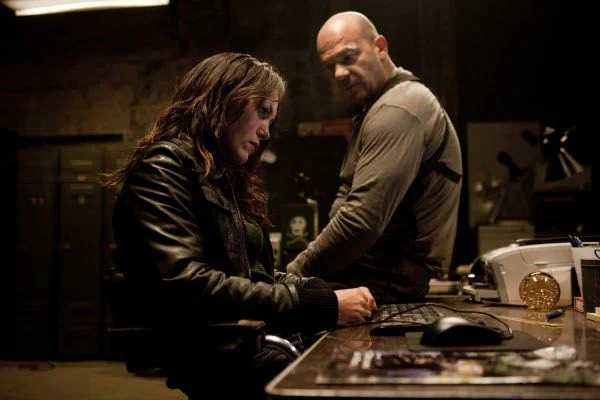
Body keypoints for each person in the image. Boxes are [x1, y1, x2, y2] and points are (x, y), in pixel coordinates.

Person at [103, 52, 376, 399]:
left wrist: (320, 290)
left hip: (245, 340)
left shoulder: (219, 178)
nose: (266, 131)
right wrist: (314, 303)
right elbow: (186, 283)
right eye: (262, 111)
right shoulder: (164, 168)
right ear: (224, 99)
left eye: (271, 120)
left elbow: (250, 274)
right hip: (218, 351)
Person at [286, 12, 463, 304]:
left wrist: (293, 275)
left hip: (383, 284)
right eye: (330, 66)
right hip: (372, 280)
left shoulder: (399, 108)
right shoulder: (381, 106)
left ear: (380, 47)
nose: (339, 74)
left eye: (348, 57)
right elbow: (346, 203)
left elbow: (360, 221)